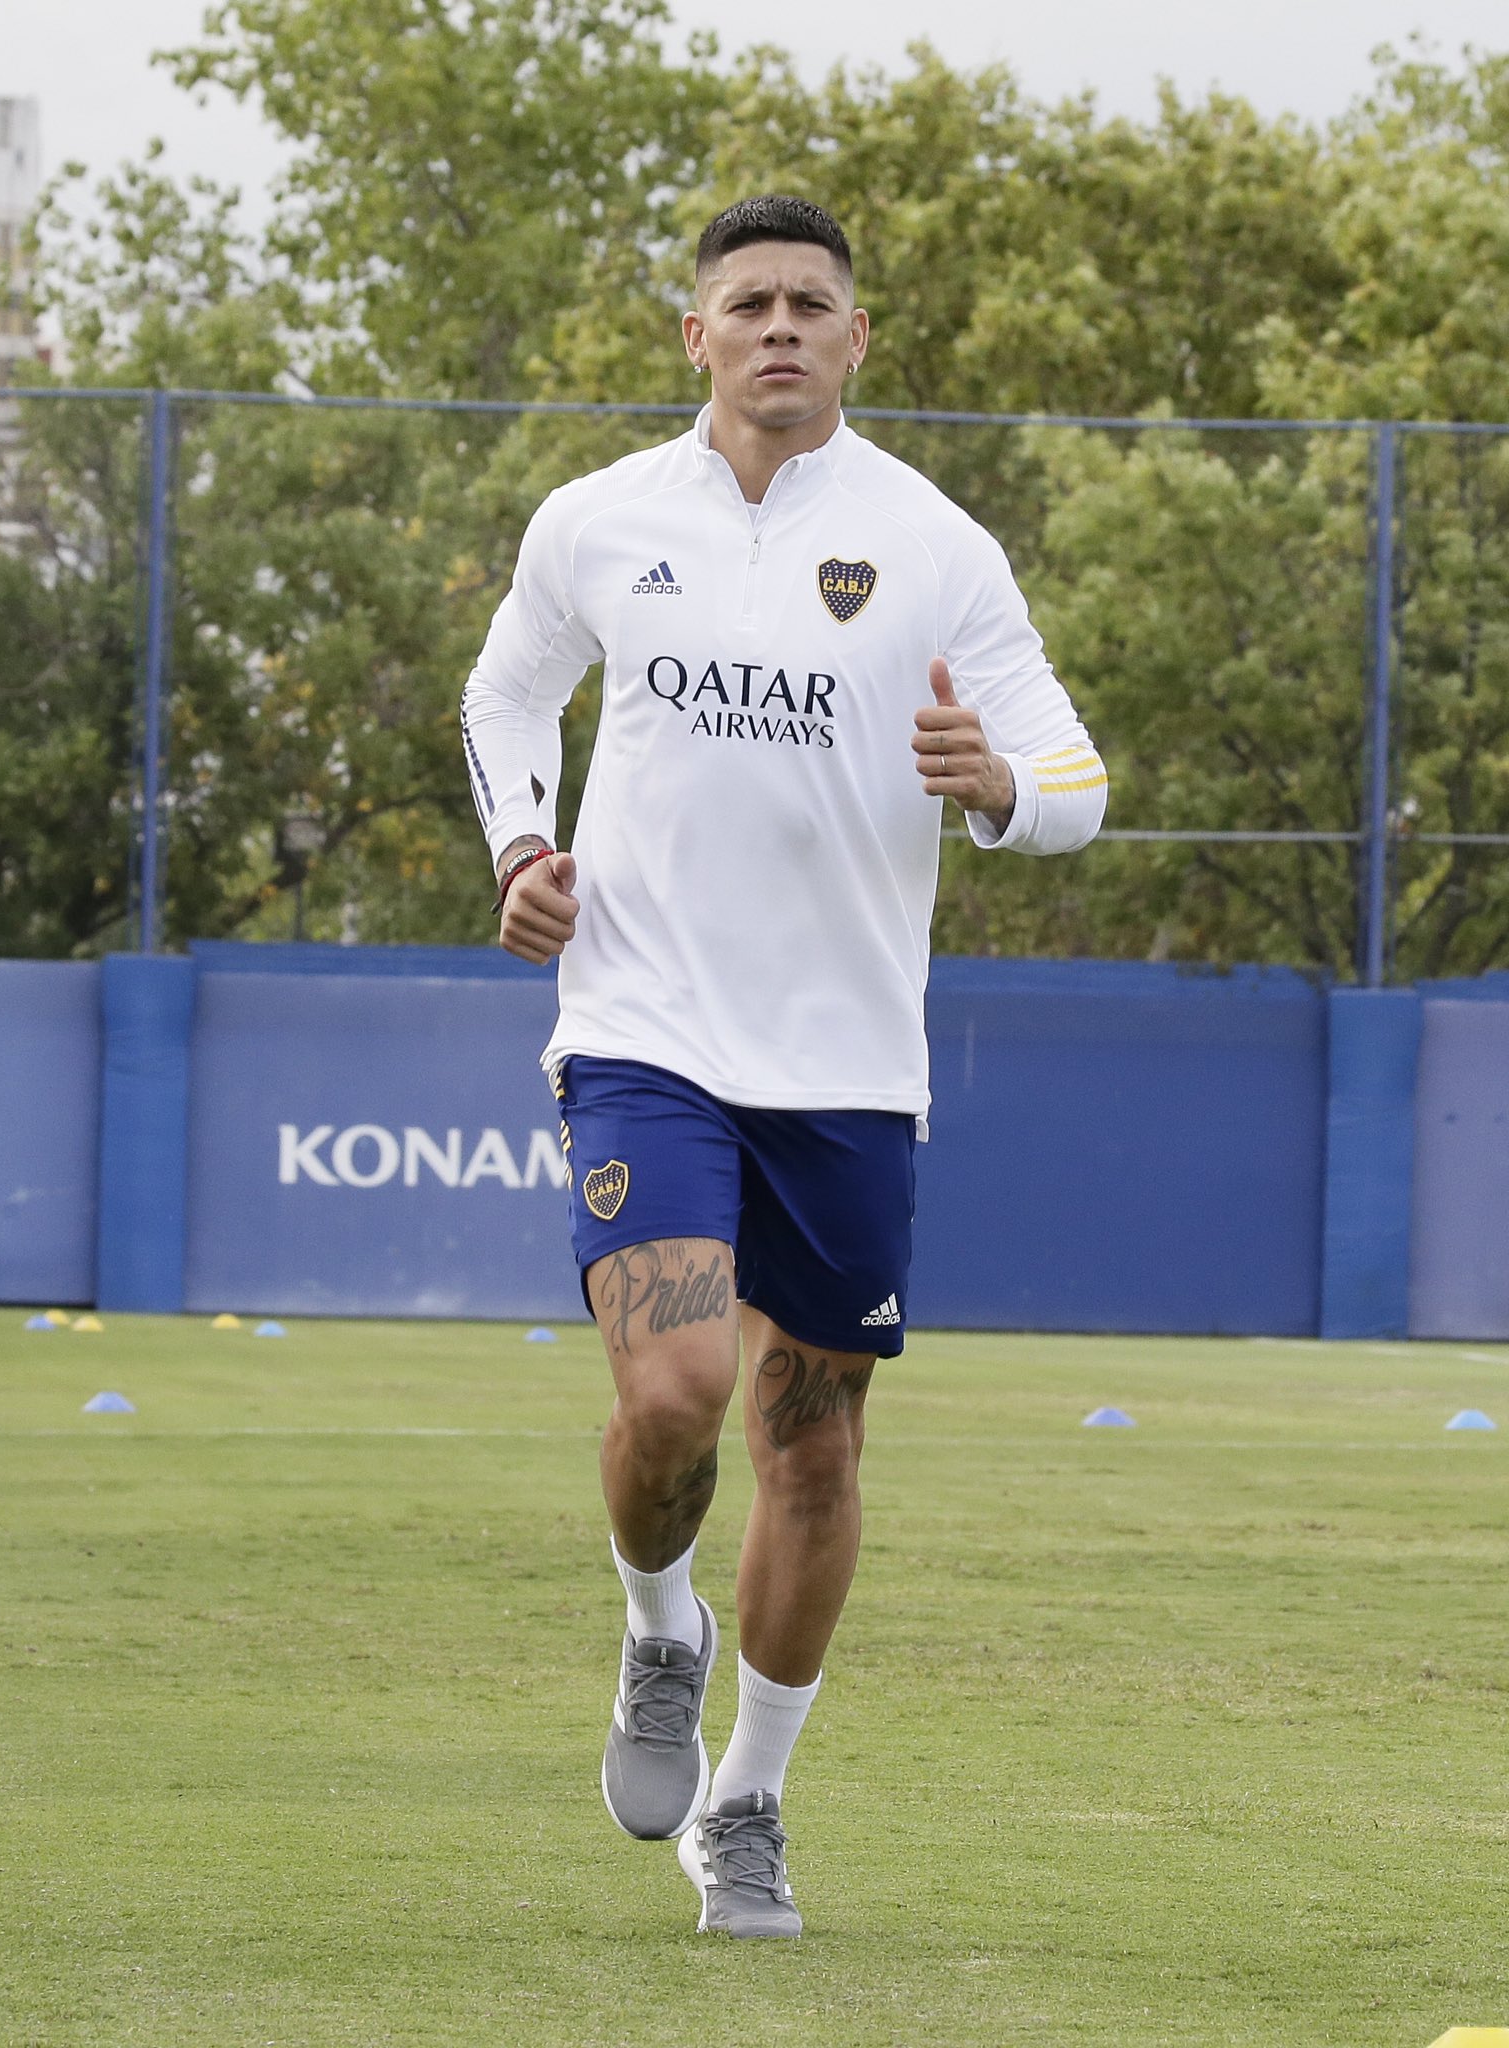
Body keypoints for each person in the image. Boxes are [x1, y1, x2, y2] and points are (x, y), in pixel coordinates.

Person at [459, 193, 1107, 1939]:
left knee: (808, 1445)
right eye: (744, 303)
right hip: (642, 1031)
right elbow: (506, 696)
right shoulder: (599, 520)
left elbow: (1075, 780)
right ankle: (654, 1618)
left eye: (810, 305)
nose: (777, 330)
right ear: (695, 335)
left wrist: (997, 791)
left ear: (855, 338)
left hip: (841, 1067)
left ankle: (746, 1806)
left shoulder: (935, 544)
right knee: (671, 1395)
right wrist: (521, 847)